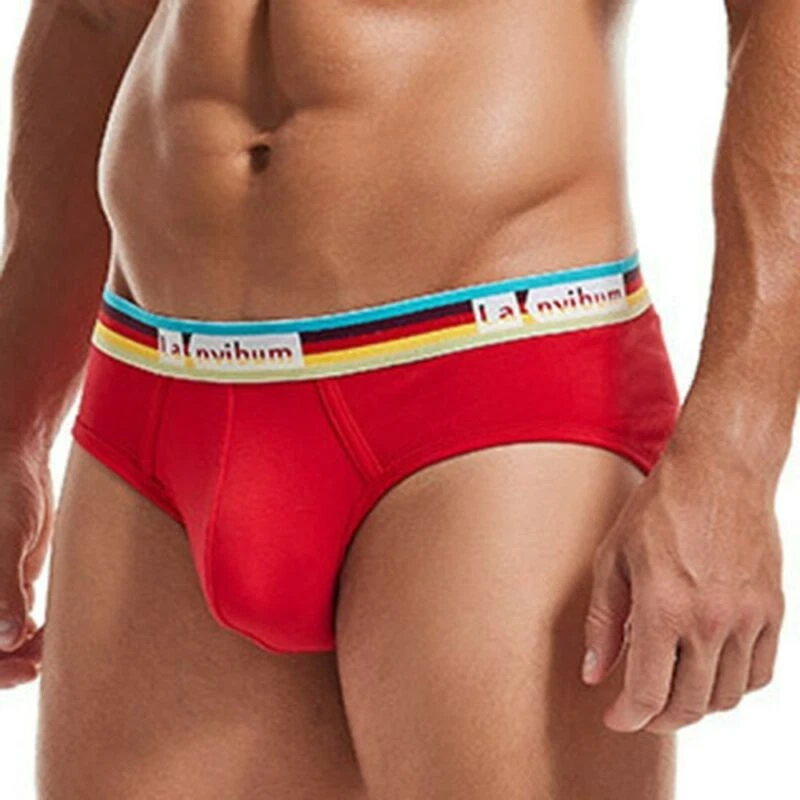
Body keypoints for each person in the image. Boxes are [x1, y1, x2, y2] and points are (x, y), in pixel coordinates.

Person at [0, 0, 795, 797]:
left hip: (485, 381)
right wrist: (14, 423)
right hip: (157, 383)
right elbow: (93, 15)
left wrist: (736, 453)